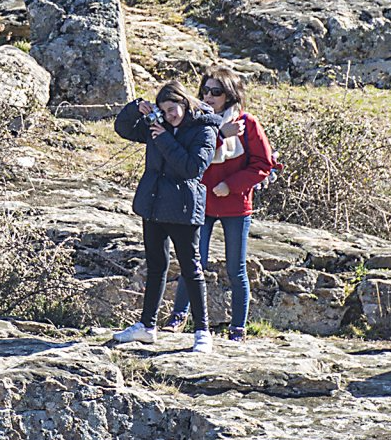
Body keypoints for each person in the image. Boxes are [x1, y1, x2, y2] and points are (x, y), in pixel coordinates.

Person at [112, 81, 225, 353]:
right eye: (164, 110)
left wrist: (163, 137)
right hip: (153, 204)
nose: (169, 114)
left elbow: (192, 167)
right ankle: (146, 327)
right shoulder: (157, 124)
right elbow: (123, 129)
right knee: (156, 265)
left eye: (173, 108)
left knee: (191, 270)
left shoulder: (204, 129)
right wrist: (135, 110)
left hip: (184, 209)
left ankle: (202, 333)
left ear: (185, 104)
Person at [165, 65, 273, 342]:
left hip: (236, 206)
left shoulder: (247, 124)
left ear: (230, 95)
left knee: (236, 268)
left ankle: (238, 328)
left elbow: (263, 164)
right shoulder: (197, 122)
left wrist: (232, 185)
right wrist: (221, 134)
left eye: (217, 91)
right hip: (201, 204)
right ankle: (179, 316)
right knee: (192, 262)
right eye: (206, 90)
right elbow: (191, 156)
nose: (209, 96)